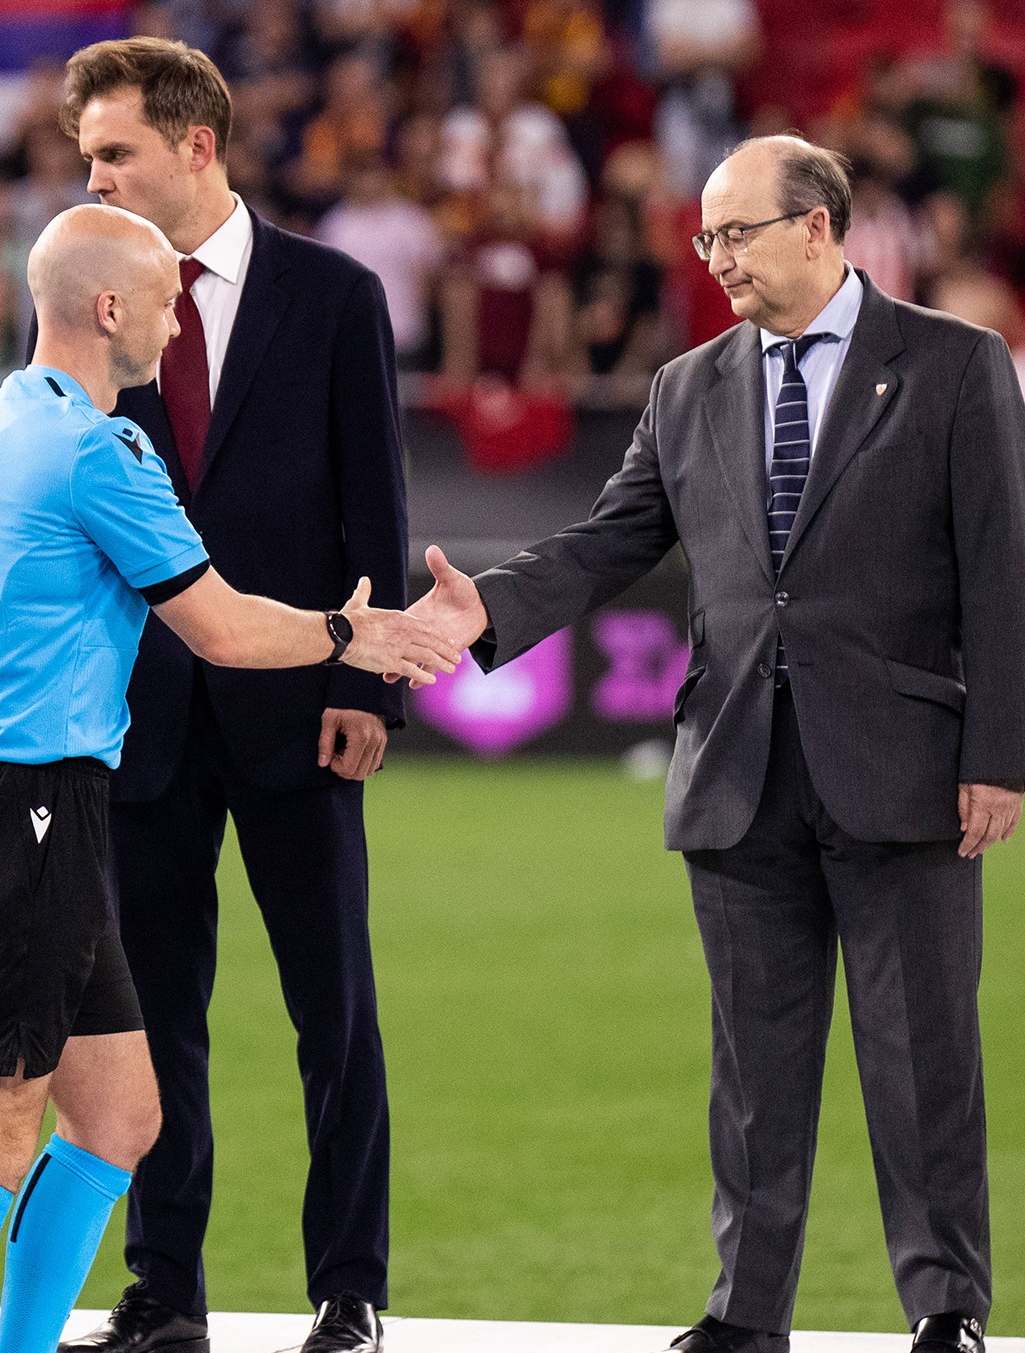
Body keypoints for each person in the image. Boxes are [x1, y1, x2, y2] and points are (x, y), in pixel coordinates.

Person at [404, 135, 1025, 1353]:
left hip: (904, 768)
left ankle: (947, 1307)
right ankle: (747, 1314)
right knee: (754, 1071)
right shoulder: (687, 384)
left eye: (738, 233)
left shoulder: (956, 364)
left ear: (818, 226)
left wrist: (998, 754)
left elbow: (1001, 572)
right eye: (706, 238)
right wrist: (491, 605)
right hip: (738, 768)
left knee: (924, 1062)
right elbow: (612, 538)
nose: (716, 258)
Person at [0, 202, 456, 1353]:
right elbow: (221, 629)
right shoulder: (101, 451)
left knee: (123, 1116)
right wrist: (352, 633)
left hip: (6, 809)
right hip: (26, 814)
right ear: (108, 307)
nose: (180, 321)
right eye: (165, 301)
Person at [54, 37, 408, 1353]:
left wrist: (367, 683)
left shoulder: (335, 294)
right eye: (88, 156)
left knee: (335, 1014)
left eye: (114, 153)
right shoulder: (94, 301)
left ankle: (350, 1291)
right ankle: (166, 1293)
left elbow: (375, 499)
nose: (94, 177)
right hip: (134, 721)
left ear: (196, 144)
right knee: (151, 1021)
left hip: (302, 708)